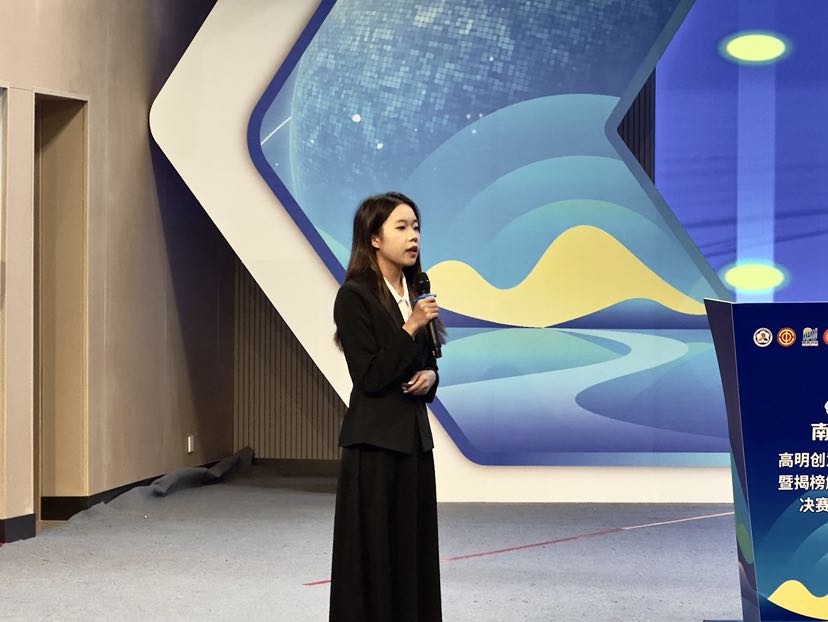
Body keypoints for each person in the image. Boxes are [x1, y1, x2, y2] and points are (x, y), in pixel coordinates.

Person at [329, 192, 444, 622]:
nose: (413, 236)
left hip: (414, 442)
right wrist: (410, 325)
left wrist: (431, 377)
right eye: (401, 227)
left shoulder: (416, 290)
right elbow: (371, 376)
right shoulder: (354, 296)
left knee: (412, 552)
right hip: (375, 444)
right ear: (374, 238)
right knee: (374, 554)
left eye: (416, 227)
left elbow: (427, 361)